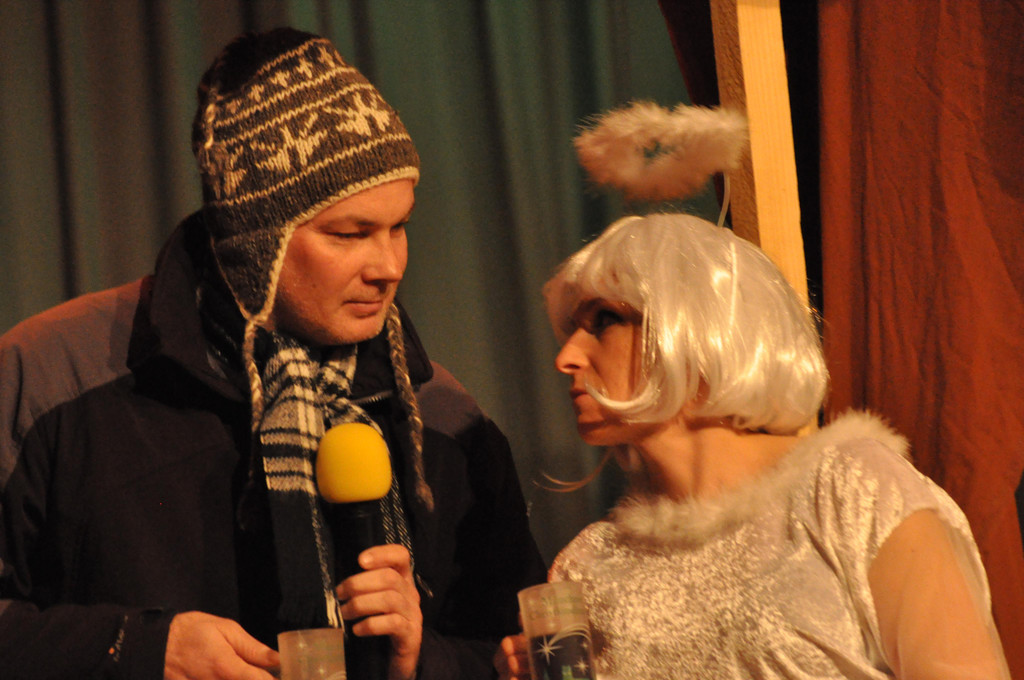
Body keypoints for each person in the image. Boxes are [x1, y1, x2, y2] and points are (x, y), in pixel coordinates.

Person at [0, 27, 545, 680]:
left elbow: (522, 655)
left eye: (399, 226)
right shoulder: (54, 377)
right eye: (350, 233)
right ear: (255, 243)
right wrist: (135, 651)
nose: (389, 266)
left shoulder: (444, 419)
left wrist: (422, 659)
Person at [494, 103, 1011, 680]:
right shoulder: (590, 566)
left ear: (695, 327)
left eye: (605, 321)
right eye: (573, 329)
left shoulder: (853, 491)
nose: (566, 357)